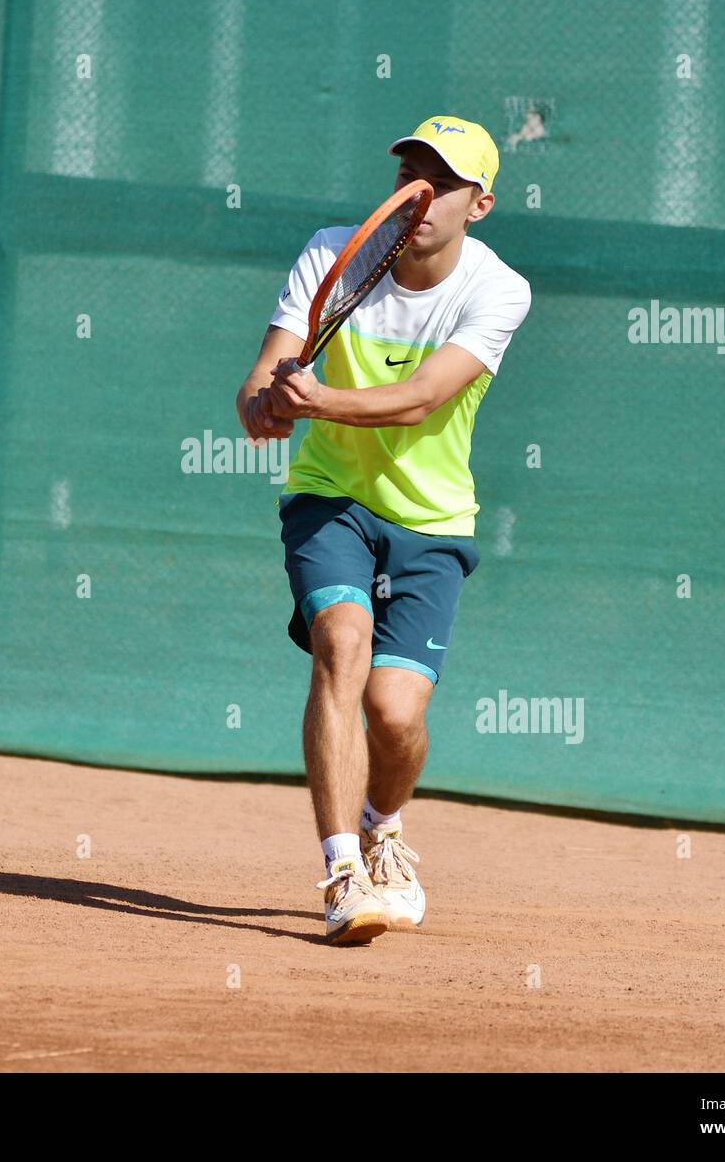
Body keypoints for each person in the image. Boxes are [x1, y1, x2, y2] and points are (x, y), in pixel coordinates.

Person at [235, 116, 532, 944]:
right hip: (331, 497)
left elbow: (422, 397)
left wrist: (315, 399)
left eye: (440, 181)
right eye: (409, 172)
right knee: (342, 642)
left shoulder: (498, 289)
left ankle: (382, 825)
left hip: (432, 519)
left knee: (396, 715)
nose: (418, 193)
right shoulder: (335, 250)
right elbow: (265, 371)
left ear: (480, 203)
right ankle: (341, 872)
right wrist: (262, 405)